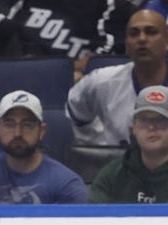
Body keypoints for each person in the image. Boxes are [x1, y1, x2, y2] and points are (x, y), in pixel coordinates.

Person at [0, 90, 88, 204]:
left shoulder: (66, 185)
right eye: (9, 124)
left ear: (41, 131)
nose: (17, 133)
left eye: (27, 124)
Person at [66, 9, 168, 146]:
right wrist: (97, 146)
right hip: (120, 164)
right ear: (126, 44)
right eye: (134, 33)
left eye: (151, 32)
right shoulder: (101, 81)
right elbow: (75, 108)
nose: (142, 39)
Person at [0, 0, 131, 62]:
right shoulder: (22, 3)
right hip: (21, 80)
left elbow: (116, 52)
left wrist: (83, 68)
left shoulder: (111, 7)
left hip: (78, 89)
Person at [89, 85, 168, 202]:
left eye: (160, 120)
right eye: (144, 120)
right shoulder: (113, 175)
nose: (151, 127)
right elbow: (95, 217)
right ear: (133, 128)